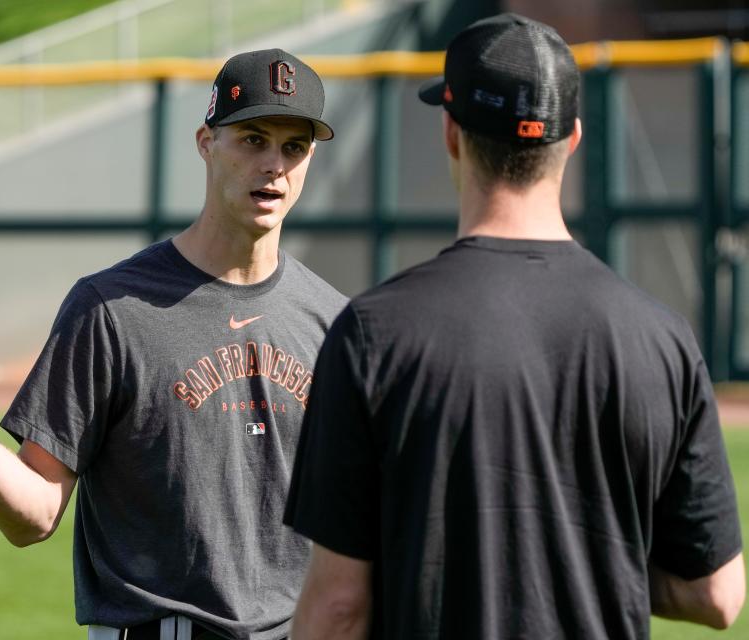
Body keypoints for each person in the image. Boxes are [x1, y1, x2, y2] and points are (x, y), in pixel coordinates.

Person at [0, 48, 347, 640]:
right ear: (205, 142)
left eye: (294, 147)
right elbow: (32, 517)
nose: (273, 165)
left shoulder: (332, 319)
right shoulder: (109, 309)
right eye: (253, 138)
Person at [284, 13, 745, 639]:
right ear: (574, 138)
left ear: (451, 132)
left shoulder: (373, 333)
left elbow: (340, 607)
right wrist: (593, 561)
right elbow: (717, 594)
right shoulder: (663, 338)